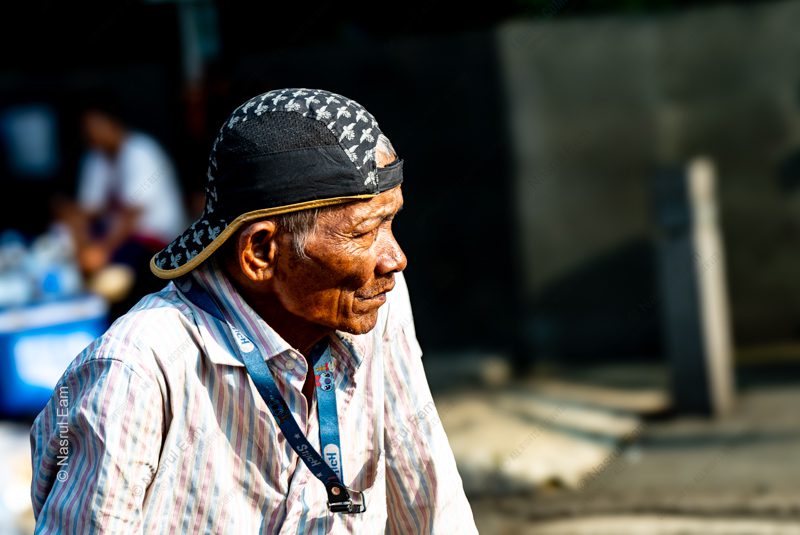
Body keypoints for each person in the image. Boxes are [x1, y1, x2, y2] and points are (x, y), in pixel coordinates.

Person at [30, 88, 478, 533]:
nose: (395, 259)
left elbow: (426, 487)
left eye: (390, 221)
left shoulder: (376, 304)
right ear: (260, 252)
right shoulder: (136, 372)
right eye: (364, 233)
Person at [59, 98, 187, 278]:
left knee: (118, 265)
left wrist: (101, 251)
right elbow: (89, 210)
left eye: (95, 126)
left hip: (157, 242)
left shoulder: (140, 151)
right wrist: (81, 240)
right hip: (121, 238)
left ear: (112, 123)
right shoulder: (96, 157)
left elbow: (131, 216)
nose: (91, 134)